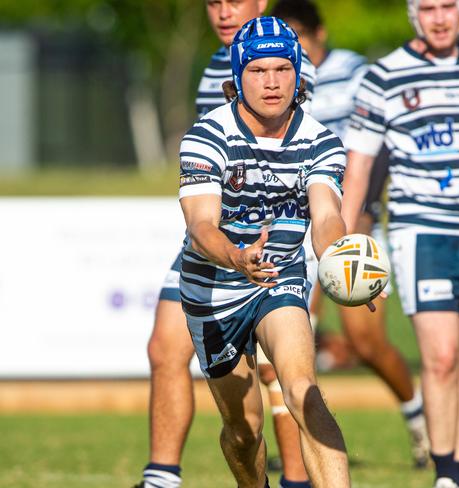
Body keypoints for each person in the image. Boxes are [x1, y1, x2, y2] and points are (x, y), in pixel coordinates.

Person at [136, 2, 316, 487]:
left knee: (281, 372)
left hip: (274, 246)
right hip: (211, 239)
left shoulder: (288, 65)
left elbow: (295, 159)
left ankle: (296, 479)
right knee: (163, 348)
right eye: (213, 1)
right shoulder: (213, 68)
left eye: (234, 0)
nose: (222, 10)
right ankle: (162, 476)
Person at [340, 0, 459, 486]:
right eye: (428, 8)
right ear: (413, 14)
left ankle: (458, 471)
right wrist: (345, 236)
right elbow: (358, 164)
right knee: (439, 358)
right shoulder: (385, 76)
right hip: (420, 230)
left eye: (447, 7)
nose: (439, 18)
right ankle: (445, 474)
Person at [177, 16, 351, 488]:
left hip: (279, 275)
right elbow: (200, 228)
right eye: (257, 70)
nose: (271, 82)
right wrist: (236, 257)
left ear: (298, 73)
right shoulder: (207, 136)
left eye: (282, 69)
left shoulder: (322, 142)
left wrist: (344, 260)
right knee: (244, 430)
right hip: (214, 288)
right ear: (237, 75)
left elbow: (327, 216)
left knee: (302, 390)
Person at [270, 0, 430, 468]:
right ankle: (294, 452)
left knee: (366, 342)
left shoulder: (355, 72)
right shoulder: (272, 81)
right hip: (291, 224)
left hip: (345, 216)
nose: (293, 46)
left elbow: (378, 145)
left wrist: (358, 213)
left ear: (320, 33)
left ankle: (418, 420)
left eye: (299, 33)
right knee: (296, 326)